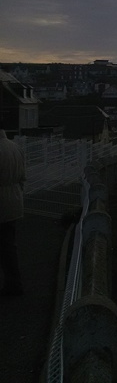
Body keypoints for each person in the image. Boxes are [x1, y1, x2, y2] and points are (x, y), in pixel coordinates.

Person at [0, 125, 25, 296]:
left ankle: (12, 284)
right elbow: (23, 176)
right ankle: (14, 283)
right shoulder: (15, 147)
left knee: (5, 247)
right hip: (14, 201)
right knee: (9, 245)